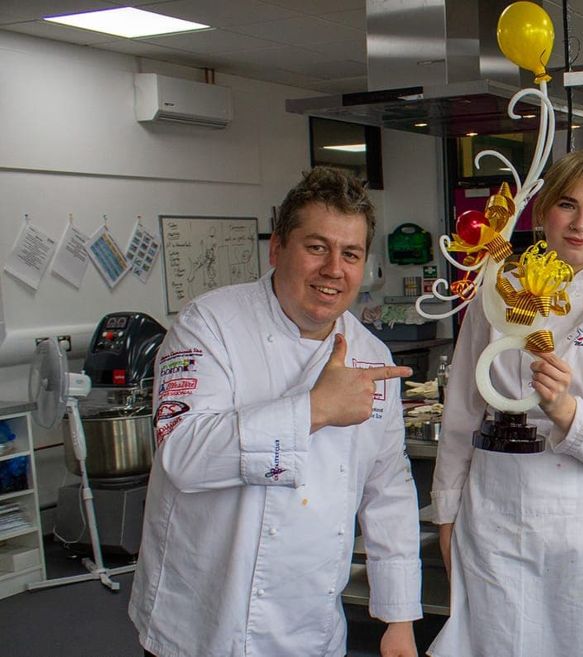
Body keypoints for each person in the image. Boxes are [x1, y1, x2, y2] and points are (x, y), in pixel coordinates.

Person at [129, 167, 422, 657]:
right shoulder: (209, 324)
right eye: (316, 247)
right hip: (202, 622)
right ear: (277, 248)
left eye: (350, 254)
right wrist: (314, 409)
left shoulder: (373, 356)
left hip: (309, 622)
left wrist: (399, 618)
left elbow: (387, 489)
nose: (334, 268)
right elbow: (181, 454)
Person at [428, 150, 583, 657]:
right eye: (568, 206)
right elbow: (463, 410)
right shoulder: (499, 290)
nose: (581, 224)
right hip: (498, 516)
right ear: (542, 212)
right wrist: (447, 514)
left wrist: (566, 411)